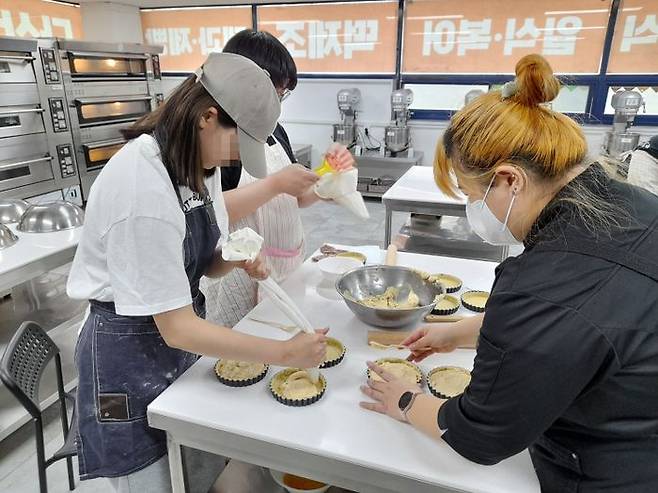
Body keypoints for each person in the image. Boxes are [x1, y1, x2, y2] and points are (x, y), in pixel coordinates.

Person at [360, 54, 658, 492]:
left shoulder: (540, 283)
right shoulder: (633, 202)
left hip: (614, 467)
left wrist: (405, 400)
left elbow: (480, 435)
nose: (472, 208)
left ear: (509, 180)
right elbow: (591, 317)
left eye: (470, 193)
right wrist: (463, 331)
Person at [67, 53, 328, 491]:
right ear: (208, 117)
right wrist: (283, 354)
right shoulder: (141, 187)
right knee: (151, 481)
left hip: (171, 342)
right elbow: (178, 328)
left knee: (190, 471)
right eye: (236, 144)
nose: (232, 161)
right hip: (125, 359)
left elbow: (205, 262)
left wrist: (235, 255)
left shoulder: (195, 164)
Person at [200, 29, 354, 329]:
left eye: (283, 94)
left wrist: (327, 180)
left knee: (282, 338)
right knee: (242, 355)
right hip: (239, 271)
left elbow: (296, 198)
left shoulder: (275, 131)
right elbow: (211, 211)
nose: (279, 103)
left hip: (287, 264)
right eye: (276, 92)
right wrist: (274, 184)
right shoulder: (222, 137)